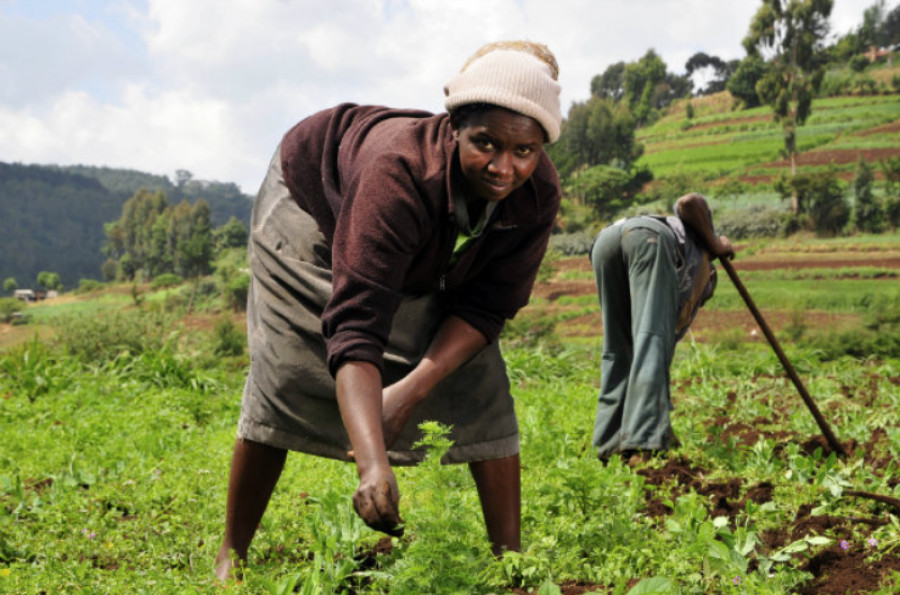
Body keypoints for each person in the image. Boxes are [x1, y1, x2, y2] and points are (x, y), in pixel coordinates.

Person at [215, 40, 563, 580]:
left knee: (480, 375)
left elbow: (488, 306)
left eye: (525, 150)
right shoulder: (398, 173)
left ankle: (511, 567)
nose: (504, 167)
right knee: (288, 369)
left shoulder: (535, 192)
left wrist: (407, 391)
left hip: (404, 237)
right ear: (455, 128)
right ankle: (230, 556)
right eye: (485, 143)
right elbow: (357, 321)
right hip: (309, 205)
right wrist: (373, 465)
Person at [589, 193, 734, 464]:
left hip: (605, 242)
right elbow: (688, 202)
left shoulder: (680, 265)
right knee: (651, 341)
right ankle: (643, 446)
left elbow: (649, 364)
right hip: (647, 239)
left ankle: (610, 444)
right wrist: (716, 242)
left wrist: (665, 429)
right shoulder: (701, 258)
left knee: (619, 350)